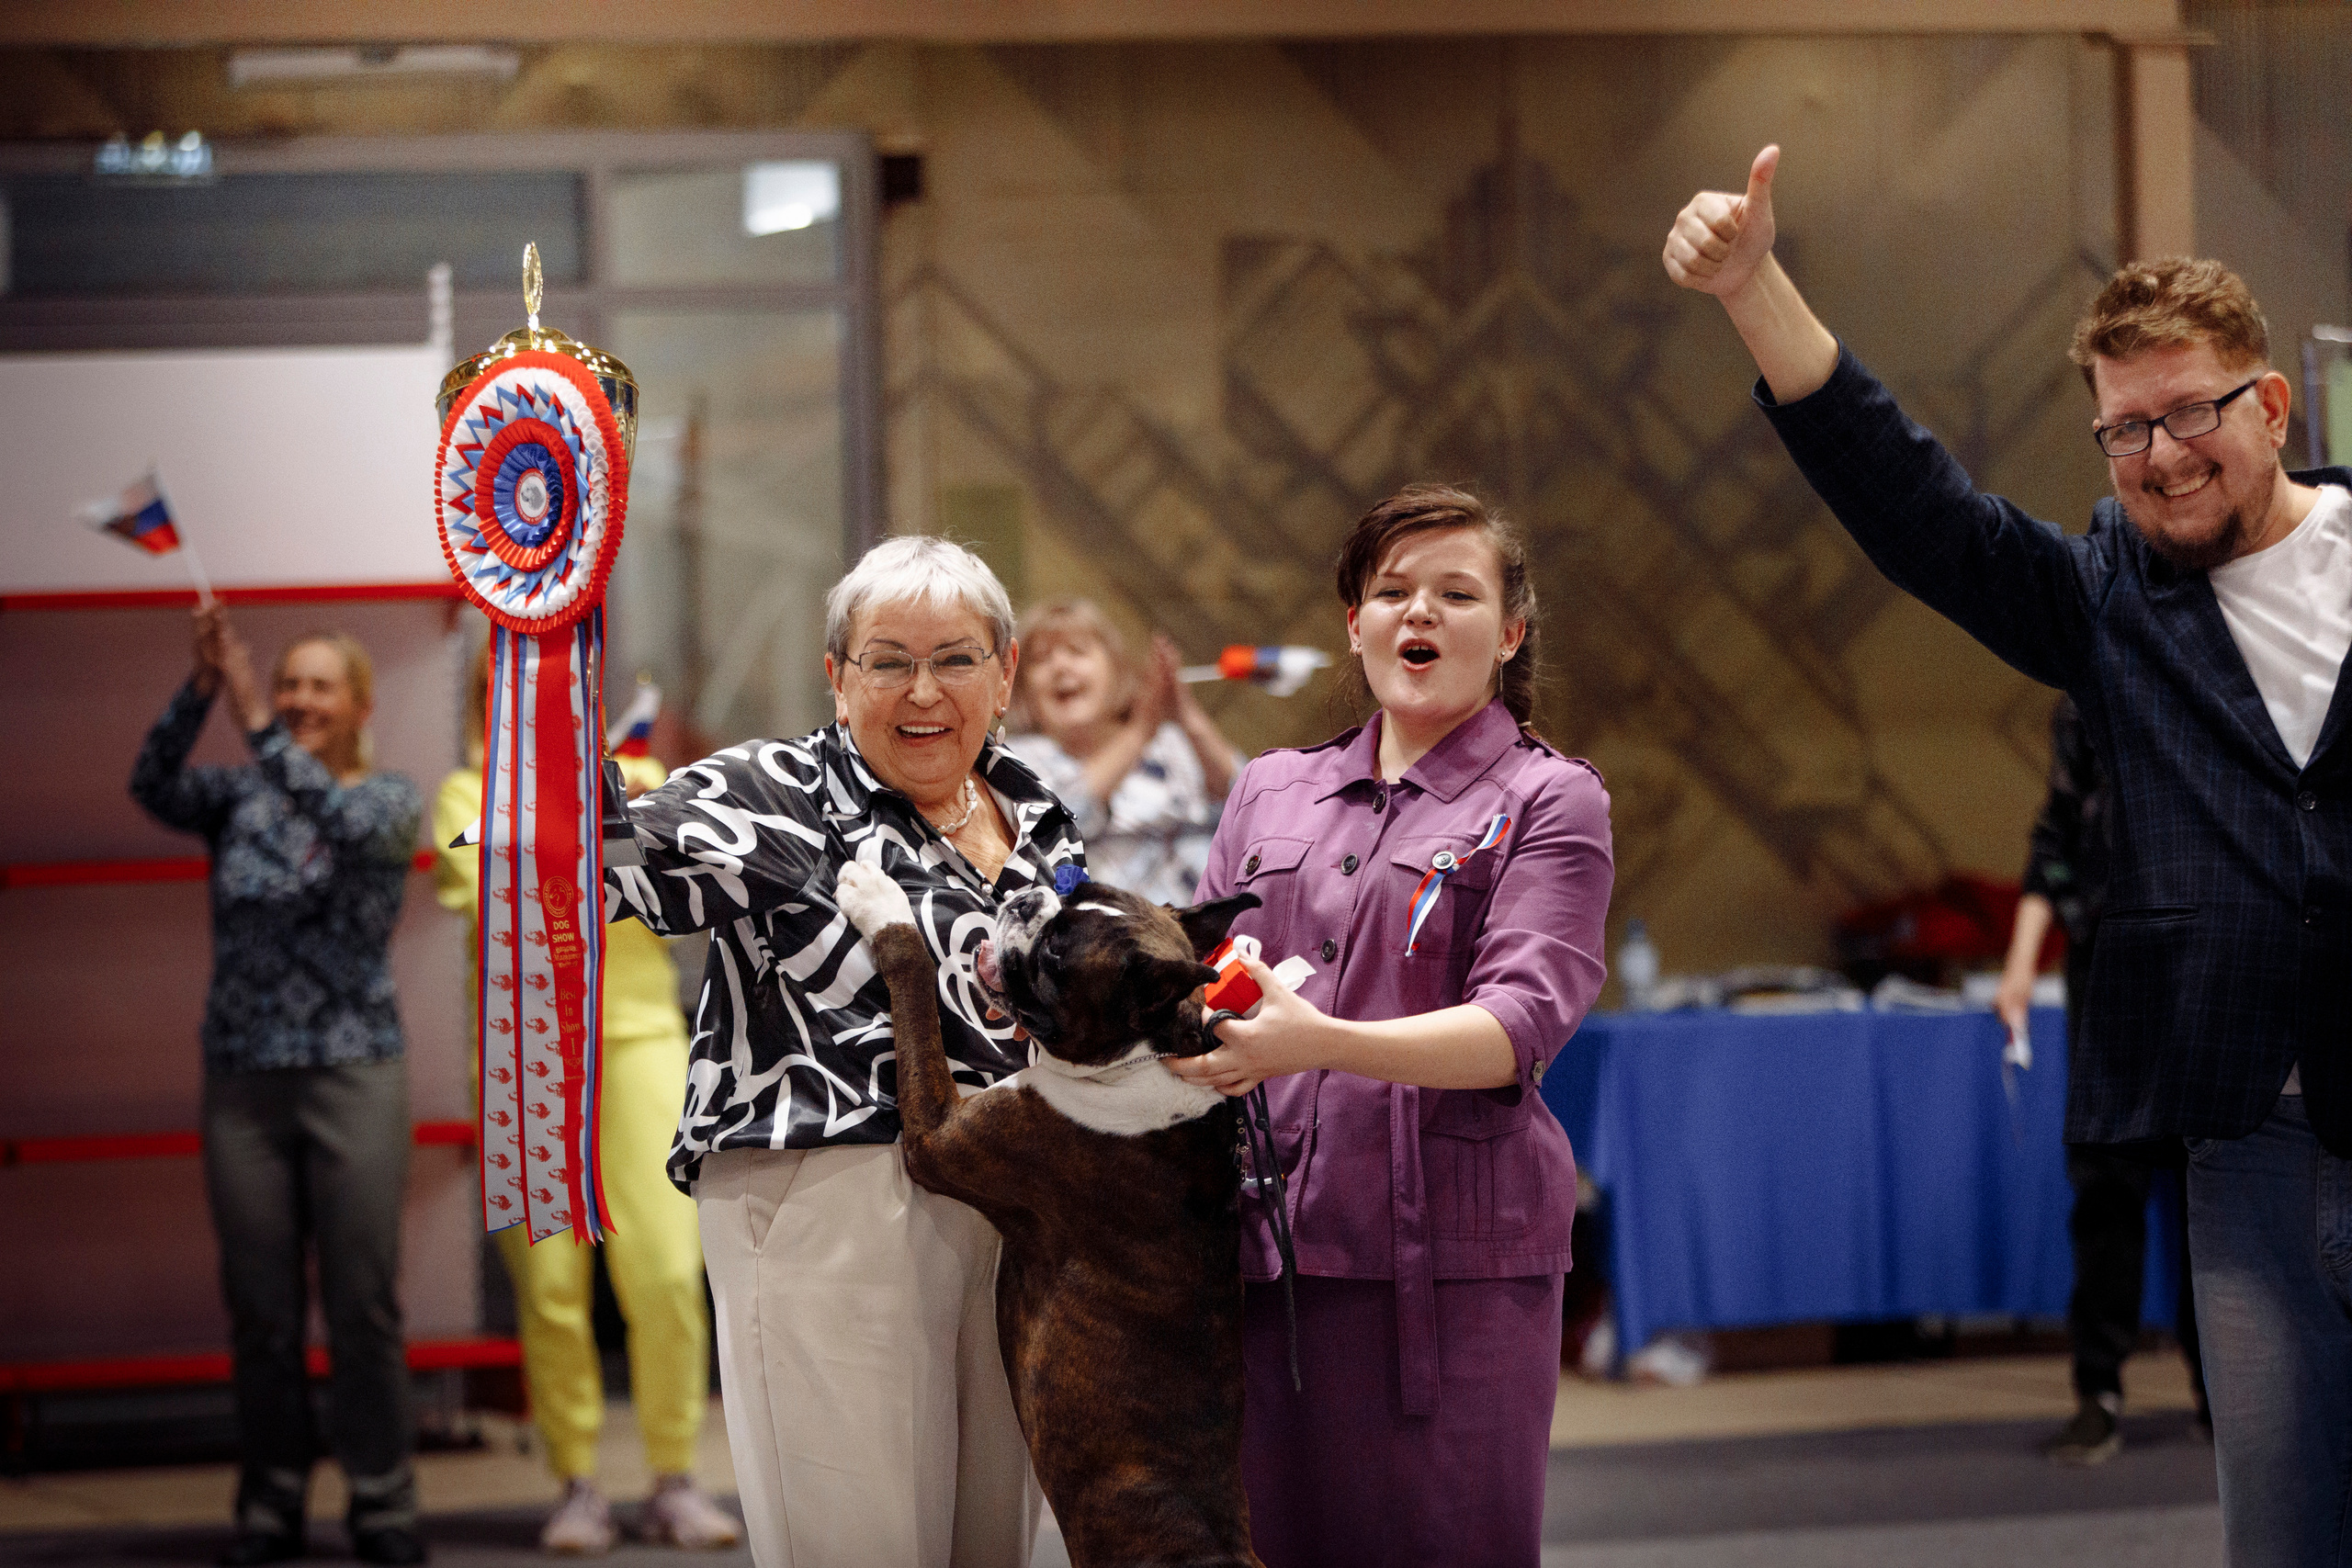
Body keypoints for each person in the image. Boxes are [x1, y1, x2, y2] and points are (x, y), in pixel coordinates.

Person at [1667, 146, 2351, 1567]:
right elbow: (1917, 508)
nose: (2160, 456)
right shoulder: (2109, 596)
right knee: (2282, 1535)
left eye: (2189, 415)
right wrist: (1752, 287)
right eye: (2124, 431)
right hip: (2251, 1148)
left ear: (2271, 403)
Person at [600, 536, 1082, 1568]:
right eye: (887, 660)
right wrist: (549, 756)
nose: (923, 690)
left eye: (955, 658)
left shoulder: (1035, 811)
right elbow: (611, 864)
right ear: (837, 676)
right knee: (856, 1542)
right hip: (829, 1195)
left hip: (1013, 1215)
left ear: (1004, 672)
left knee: (984, 1546)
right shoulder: (772, 788)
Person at [1170, 485, 1614, 1567]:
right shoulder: (1270, 791)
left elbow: (1517, 1027)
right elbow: (1214, 987)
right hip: (1263, 1256)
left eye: (1456, 594)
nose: (1419, 614)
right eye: (1392, 592)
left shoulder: (1550, 799)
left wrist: (1315, 1040)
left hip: (1452, 1271)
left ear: (1509, 633)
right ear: (1354, 624)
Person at [129, 606, 426, 1567]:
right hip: (244, 1082)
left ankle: (382, 1503)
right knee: (258, 1308)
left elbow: (329, 818)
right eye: (287, 682)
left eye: (316, 686)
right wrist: (203, 689)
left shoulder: (387, 800)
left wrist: (254, 716)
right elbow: (150, 785)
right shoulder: (238, 798)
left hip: (353, 1073)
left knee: (362, 1304)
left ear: (358, 705)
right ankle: (271, 1504)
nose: (297, 700)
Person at [431, 646, 740, 1554]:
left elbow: (649, 889)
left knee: (668, 1275)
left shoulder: (637, 775)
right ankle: (575, 1482)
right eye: (512, 699)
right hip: (525, 1054)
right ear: (492, 708)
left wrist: (573, 826)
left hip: (641, 1039)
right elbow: (488, 890)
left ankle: (674, 1476)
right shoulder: (466, 794)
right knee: (552, 1286)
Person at [1993, 695, 2206, 1462]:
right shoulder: (2082, 696)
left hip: (2200, 958)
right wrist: (2020, 968)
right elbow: (2055, 836)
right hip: (2105, 964)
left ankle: (2222, 1394)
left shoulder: (2213, 673)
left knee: (2211, 1180)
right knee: (2106, 1181)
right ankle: (2099, 1394)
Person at [1003, 598, 1243, 905]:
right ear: (1023, 690)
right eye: (1041, 659)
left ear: (1116, 670)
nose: (1060, 667)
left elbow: (1246, 805)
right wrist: (1140, 731)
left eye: (1077, 651)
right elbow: (1063, 825)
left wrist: (1189, 716)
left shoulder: (1168, 741)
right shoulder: (1019, 762)